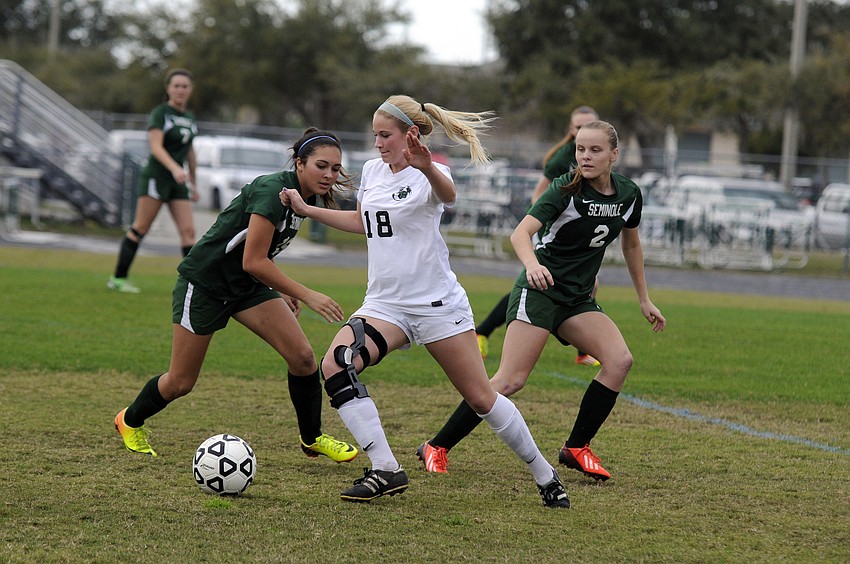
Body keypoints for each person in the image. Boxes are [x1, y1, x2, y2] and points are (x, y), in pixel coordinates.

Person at [280, 95, 570, 509]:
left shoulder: (430, 172)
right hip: (385, 305)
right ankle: (385, 468)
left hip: (436, 306)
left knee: (482, 399)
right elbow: (365, 221)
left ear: (409, 135)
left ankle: (545, 474)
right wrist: (307, 209)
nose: (377, 143)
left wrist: (427, 165)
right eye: (375, 134)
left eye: (385, 135)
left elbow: (448, 195)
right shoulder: (374, 170)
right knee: (337, 363)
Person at [418, 120, 666, 481]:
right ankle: (436, 445)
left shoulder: (629, 194)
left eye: (595, 150)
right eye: (581, 149)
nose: (585, 156)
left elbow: (632, 243)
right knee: (509, 381)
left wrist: (644, 299)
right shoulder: (566, 189)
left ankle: (576, 447)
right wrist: (532, 265)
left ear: (615, 154)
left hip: (577, 299)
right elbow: (521, 233)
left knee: (619, 360)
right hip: (539, 293)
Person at [114, 128, 358, 465]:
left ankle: (312, 438)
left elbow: (258, 252)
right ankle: (129, 420)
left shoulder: (305, 198)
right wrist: (305, 293)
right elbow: (252, 260)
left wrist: (282, 290)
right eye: (322, 166)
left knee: (302, 358)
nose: (330, 175)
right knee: (181, 382)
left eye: (335, 168)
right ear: (299, 163)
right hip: (205, 286)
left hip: (246, 287)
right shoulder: (273, 191)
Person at [476, 106, 602, 366]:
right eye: (578, 127)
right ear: (571, 130)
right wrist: (546, 223)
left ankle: (581, 350)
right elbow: (539, 195)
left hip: (572, 237)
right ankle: (482, 332)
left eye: (589, 126)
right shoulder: (562, 159)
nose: (583, 132)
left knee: (590, 283)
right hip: (547, 233)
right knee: (534, 284)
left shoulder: (598, 157)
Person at [108, 68, 199, 293]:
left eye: (185, 86)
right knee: (141, 227)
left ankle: (192, 285)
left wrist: (194, 182)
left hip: (177, 182)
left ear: (190, 90)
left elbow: (190, 152)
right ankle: (118, 278)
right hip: (157, 177)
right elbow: (156, 147)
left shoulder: (189, 117)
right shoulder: (161, 113)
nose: (180, 90)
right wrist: (175, 168)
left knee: (188, 232)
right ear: (168, 89)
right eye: (176, 85)